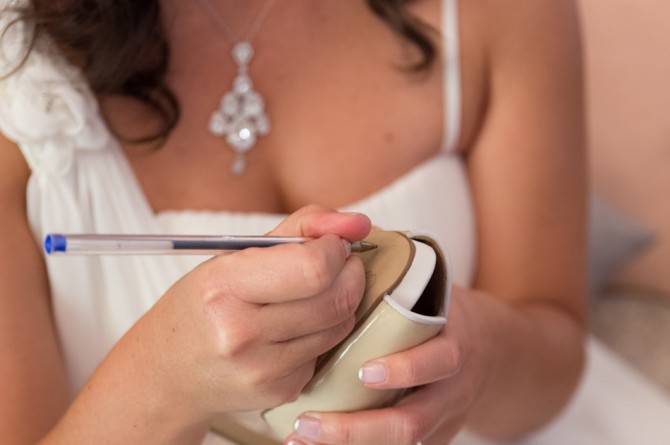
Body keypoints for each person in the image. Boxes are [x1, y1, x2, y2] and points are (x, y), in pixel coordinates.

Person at [0, 0, 587, 444]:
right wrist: (164, 378)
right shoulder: (16, 66)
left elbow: (556, 356)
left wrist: (481, 351)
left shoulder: (509, 13)